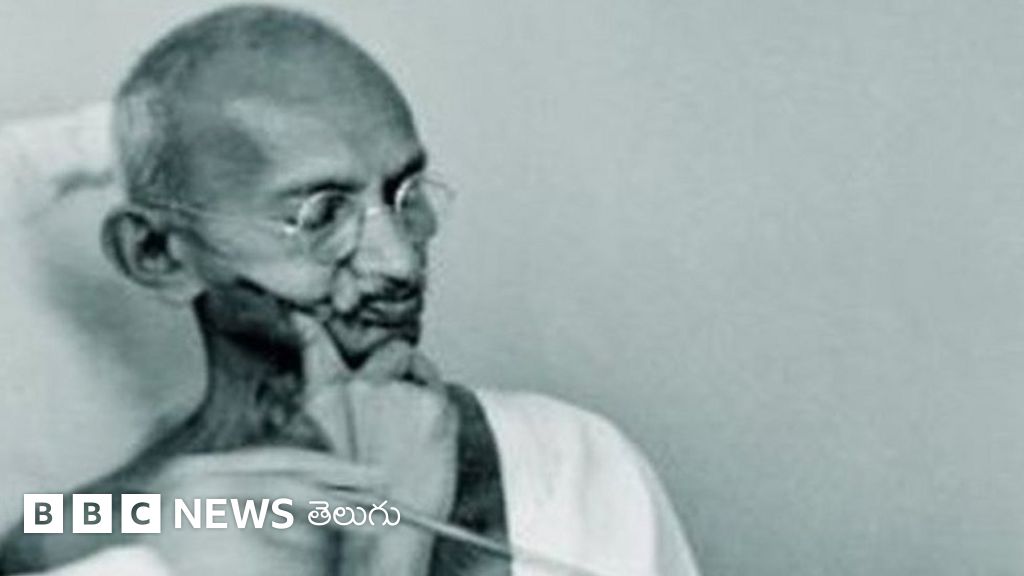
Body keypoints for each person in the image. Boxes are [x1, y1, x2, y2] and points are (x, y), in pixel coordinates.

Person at [0, 5, 700, 576]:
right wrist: (385, 541)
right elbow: (43, 537)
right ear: (156, 254)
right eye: (320, 213)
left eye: (405, 193)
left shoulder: (571, 460)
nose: (400, 262)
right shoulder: (119, 526)